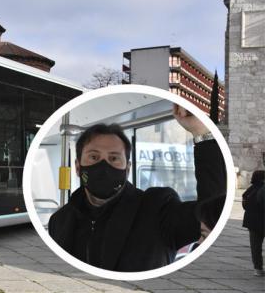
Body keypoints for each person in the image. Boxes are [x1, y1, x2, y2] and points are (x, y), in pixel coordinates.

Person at [48, 105, 226, 272]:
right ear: (78, 167)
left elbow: (211, 212)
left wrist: (202, 133)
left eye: (114, 158)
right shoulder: (59, 221)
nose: (103, 166)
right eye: (94, 157)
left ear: (127, 169)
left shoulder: (158, 208)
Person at [242, 170, 264, 276]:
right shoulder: (262, 189)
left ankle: (257, 269)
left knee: (255, 247)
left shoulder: (250, 190)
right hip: (262, 220)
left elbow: (244, 204)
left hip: (252, 222)